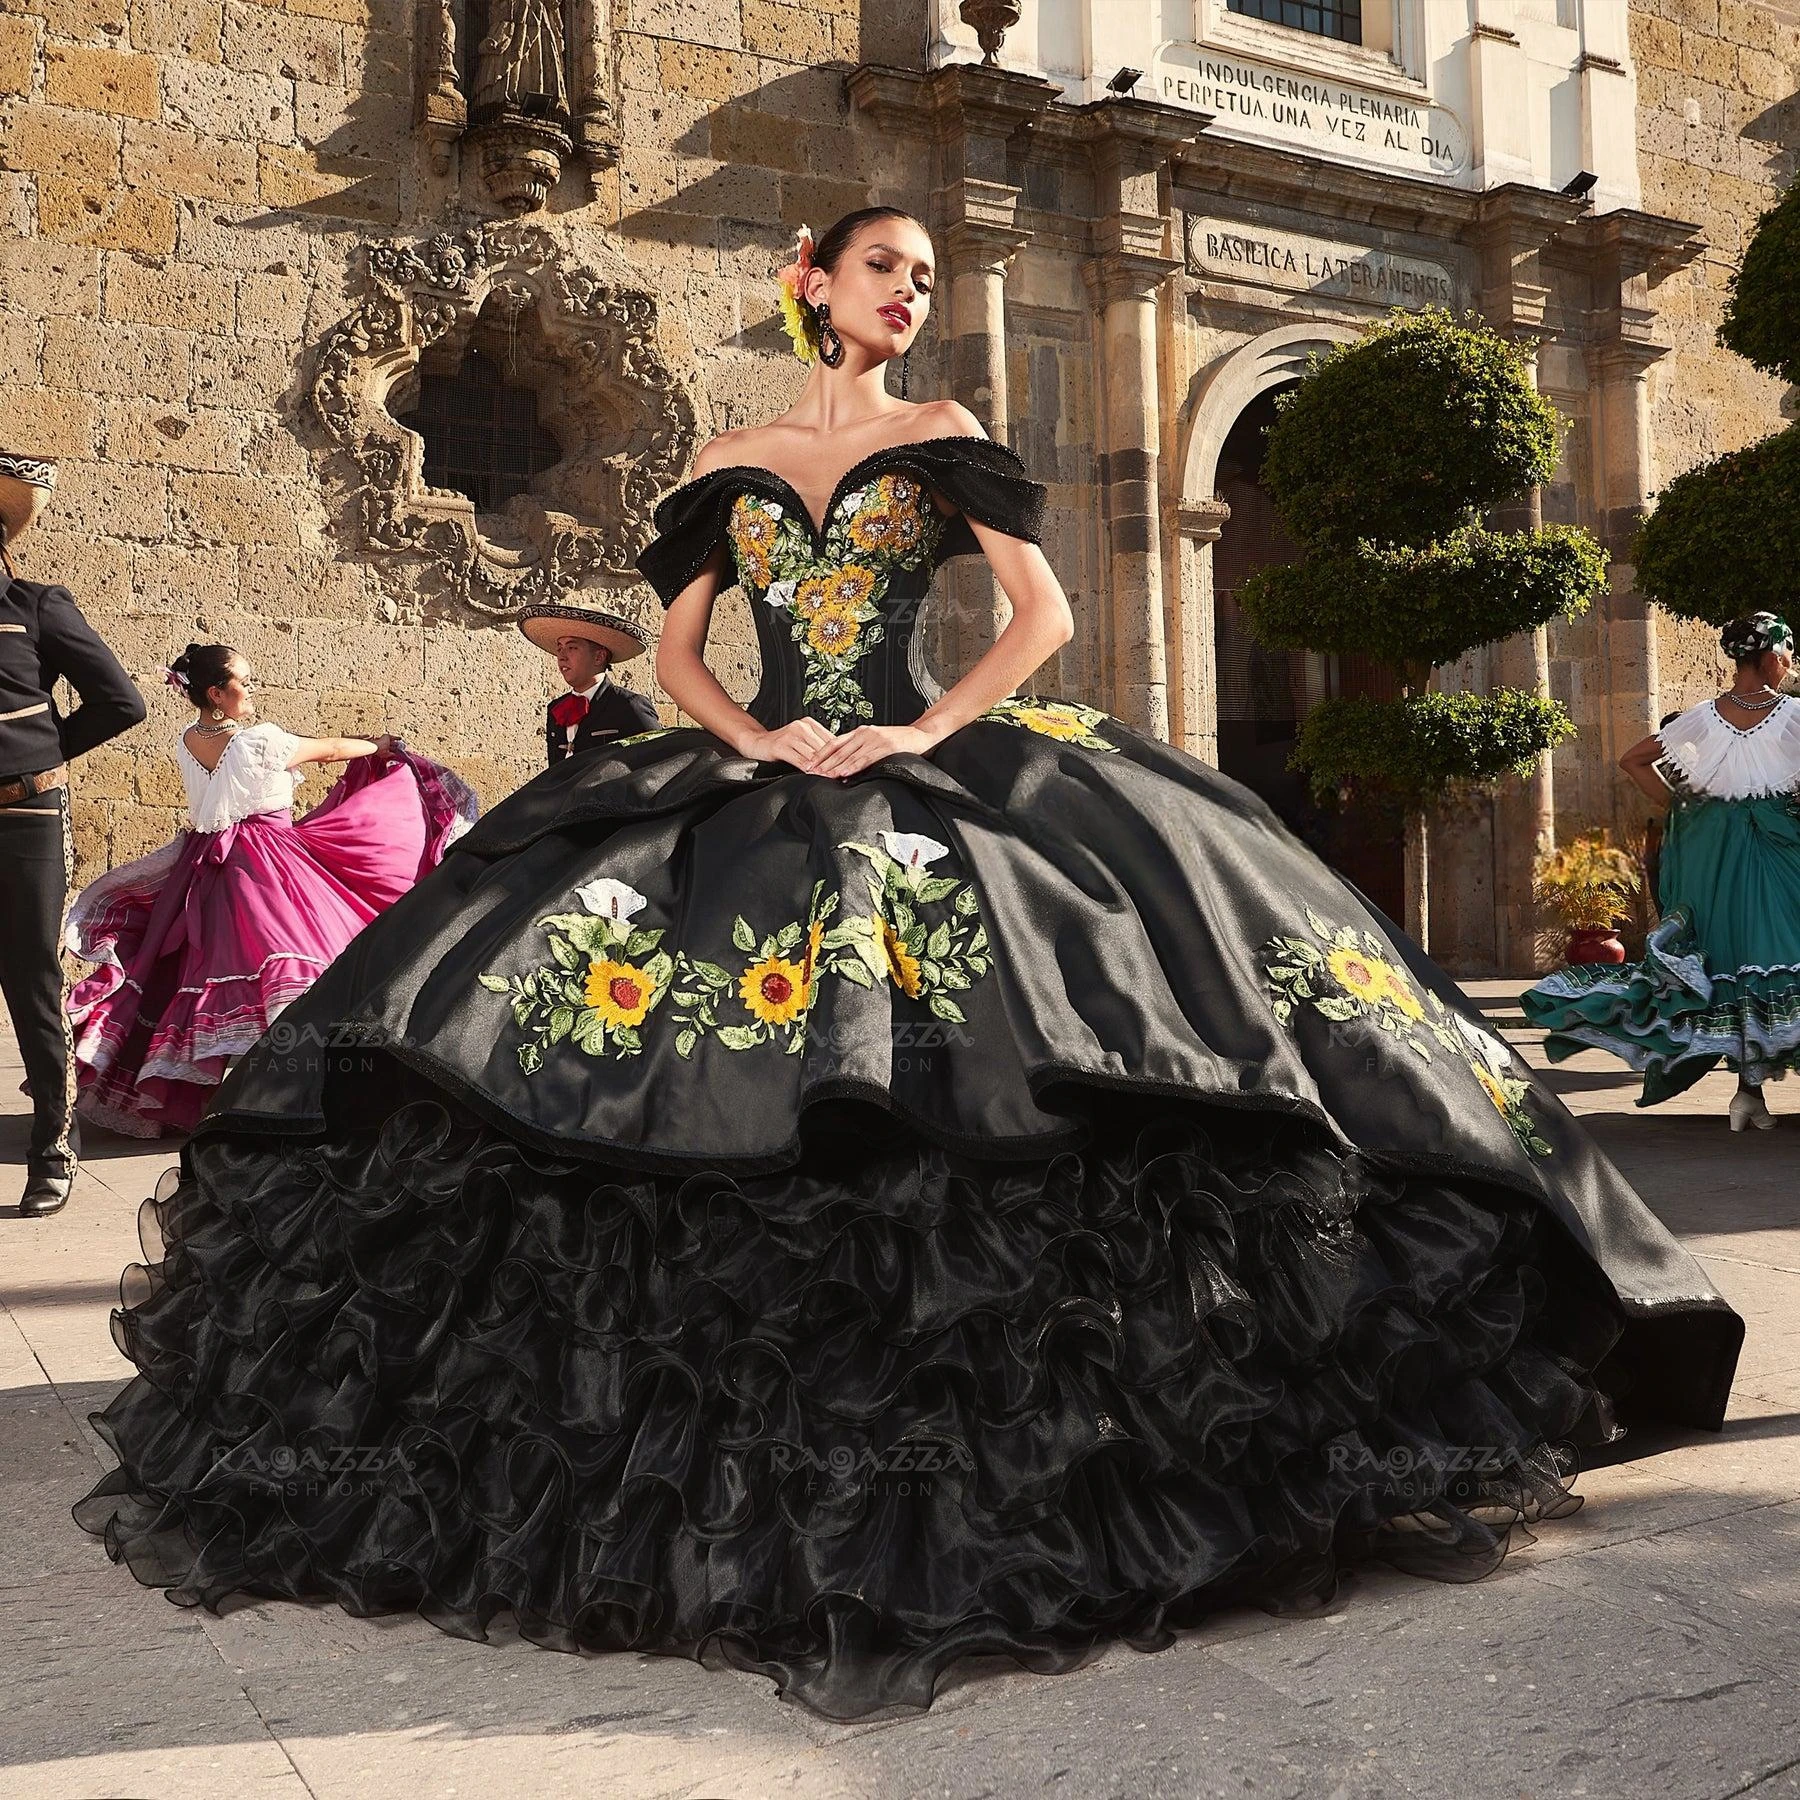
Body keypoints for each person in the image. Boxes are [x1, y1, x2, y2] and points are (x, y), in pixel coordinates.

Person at [76, 210, 1743, 1722]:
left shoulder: (947, 440)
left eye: (930, 280)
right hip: (771, 762)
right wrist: (759, 735)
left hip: (924, 746)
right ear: (812, 281)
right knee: (574, 1040)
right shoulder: (727, 459)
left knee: (1118, 1007)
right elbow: (676, 650)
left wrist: (918, 724)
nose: (912, 295)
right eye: (889, 271)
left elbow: (1041, 622)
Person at [64, 642, 478, 1138]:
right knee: (308, 963)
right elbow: (328, 749)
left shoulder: (187, 740)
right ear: (217, 693)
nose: (253, 688)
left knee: (207, 976)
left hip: (204, 868)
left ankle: (234, 1095)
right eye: (244, 681)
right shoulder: (257, 741)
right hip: (265, 863)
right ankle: (297, 1096)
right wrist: (379, 748)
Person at [1523, 612, 1800, 1130]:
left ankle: (1749, 1094)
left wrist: (1682, 806)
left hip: (1710, 853)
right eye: (1788, 653)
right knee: (1777, 953)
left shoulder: (1701, 716)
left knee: (1730, 960)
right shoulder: (1793, 716)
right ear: (1769, 657)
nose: (1790, 663)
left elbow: (1633, 760)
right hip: (1776, 849)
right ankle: (1749, 1092)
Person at [0, 450, 146, 1217]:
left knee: (31, 978)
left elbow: (121, 701)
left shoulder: (36, 606)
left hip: (24, 815)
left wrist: (38, 754)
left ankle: (51, 1144)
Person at [518, 600, 659, 766]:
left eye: (572, 648)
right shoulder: (555, 709)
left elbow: (657, 767)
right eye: (560, 648)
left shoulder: (629, 706)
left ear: (599, 657)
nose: (561, 656)